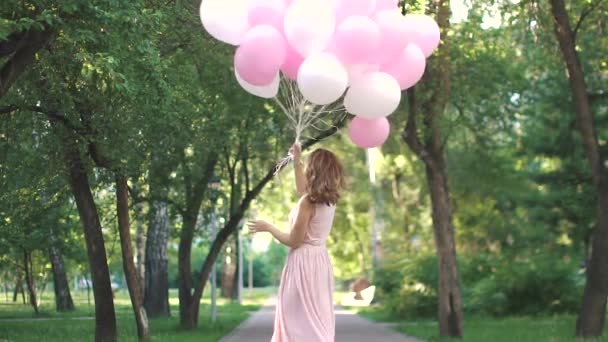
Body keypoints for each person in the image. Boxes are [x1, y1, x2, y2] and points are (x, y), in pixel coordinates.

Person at [248, 143, 345, 342]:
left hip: (302, 264)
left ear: (314, 170)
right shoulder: (329, 199)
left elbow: (294, 241)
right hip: (319, 263)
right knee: (316, 320)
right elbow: (303, 190)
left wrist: (269, 227)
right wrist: (297, 161)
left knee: (295, 323)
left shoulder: (308, 202)